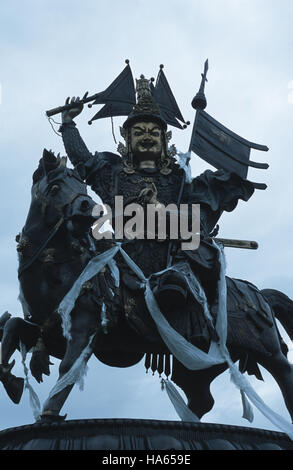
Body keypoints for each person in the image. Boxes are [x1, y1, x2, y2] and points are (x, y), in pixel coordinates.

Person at [58, 75, 255, 348]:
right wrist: (68, 125)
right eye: (139, 132)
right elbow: (84, 162)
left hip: (169, 260)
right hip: (122, 262)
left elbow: (193, 220)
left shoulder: (178, 177)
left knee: (199, 252)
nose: (147, 137)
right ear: (127, 139)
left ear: (165, 139)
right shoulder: (112, 174)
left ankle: (207, 316)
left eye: (153, 132)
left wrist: (159, 210)